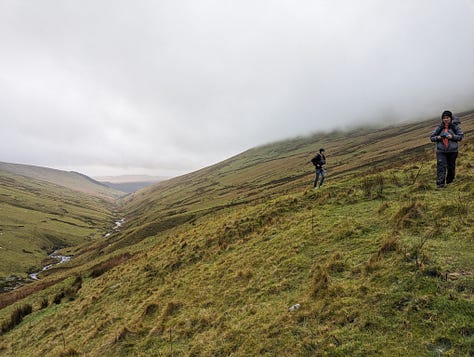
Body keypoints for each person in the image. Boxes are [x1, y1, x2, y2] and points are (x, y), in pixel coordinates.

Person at [430, 110, 464, 188]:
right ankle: (440, 185)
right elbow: (431, 138)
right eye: (444, 118)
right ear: (442, 119)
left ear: (451, 118)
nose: (446, 119)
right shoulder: (439, 128)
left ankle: (450, 182)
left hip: (453, 151)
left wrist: (452, 137)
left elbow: (460, 137)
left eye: (447, 117)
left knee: (451, 167)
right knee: (441, 167)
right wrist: (438, 137)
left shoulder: (455, 127)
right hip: (441, 151)